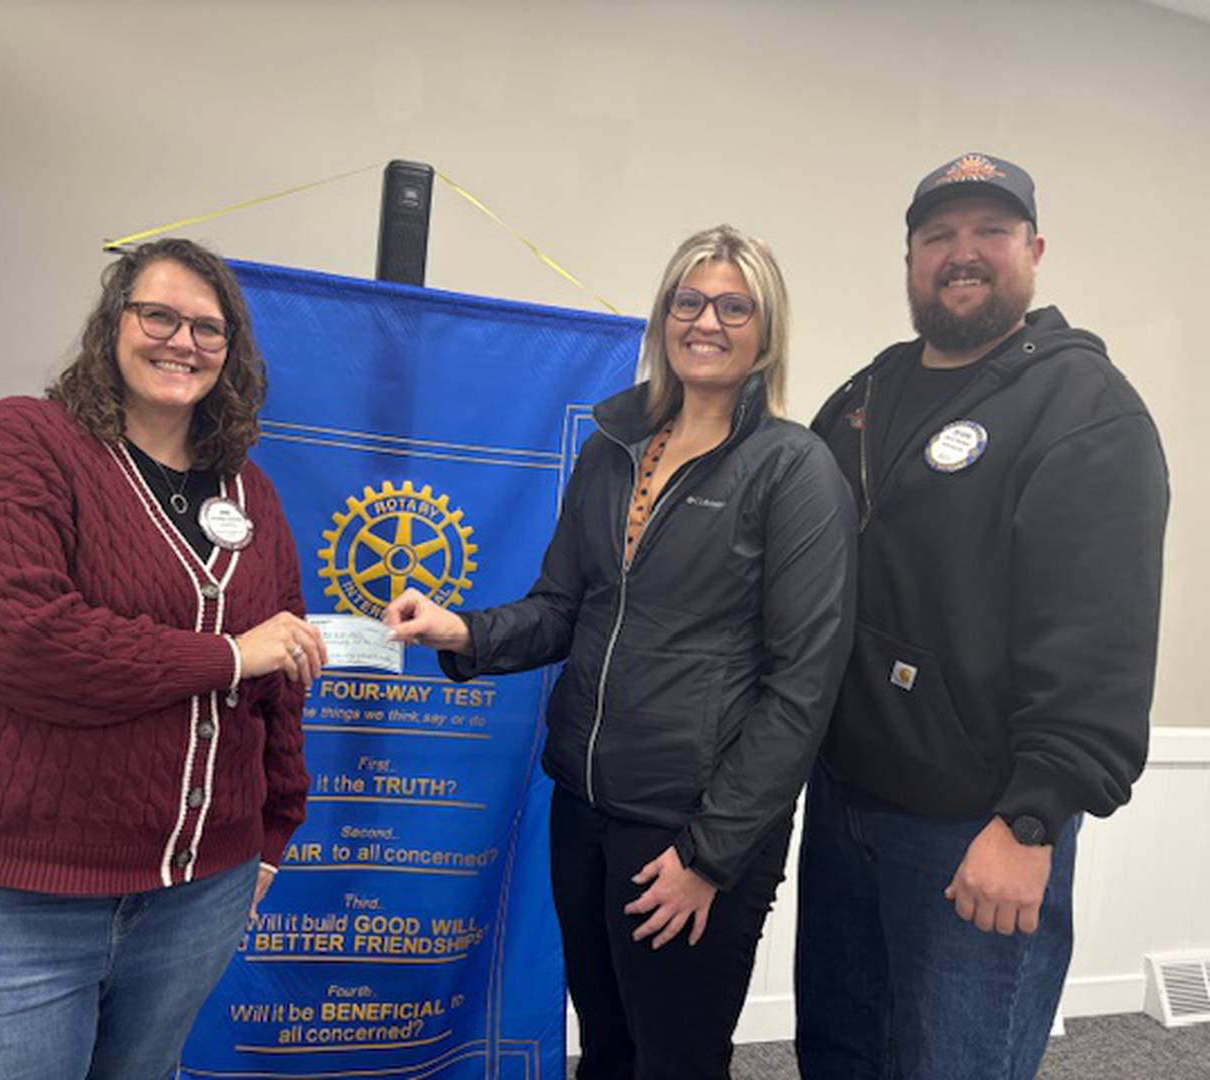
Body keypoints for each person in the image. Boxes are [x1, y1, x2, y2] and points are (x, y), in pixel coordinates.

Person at [383, 225, 856, 1079]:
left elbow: (802, 688)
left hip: (689, 827)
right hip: (584, 810)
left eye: (733, 306)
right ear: (663, 317)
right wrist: (463, 632)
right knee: (604, 1049)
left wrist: (709, 857)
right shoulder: (612, 453)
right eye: (688, 300)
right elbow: (563, 608)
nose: (705, 321)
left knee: (673, 1060)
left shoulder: (794, 469)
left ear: (766, 330)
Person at [0, 237, 326, 1080]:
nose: (181, 342)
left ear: (231, 355)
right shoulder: (26, 440)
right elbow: (23, 639)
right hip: (6, 896)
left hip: (196, 895)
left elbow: (282, 675)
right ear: (112, 326)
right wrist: (227, 656)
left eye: (208, 328)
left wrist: (273, 832)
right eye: (159, 315)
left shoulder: (249, 492)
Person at [795, 153, 1169, 1079]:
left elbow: (1101, 636)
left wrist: (1033, 820)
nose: (962, 255)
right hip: (843, 811)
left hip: (978, 833)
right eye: (938, 237)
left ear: (1034, 250)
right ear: (911, 258)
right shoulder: (859, 399)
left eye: (989, 233)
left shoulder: (1085, 408)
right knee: (840, 1055)